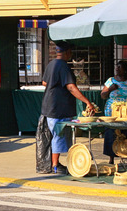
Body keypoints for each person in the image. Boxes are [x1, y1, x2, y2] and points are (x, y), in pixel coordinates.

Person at [41, 41, 96, 175]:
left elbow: (44, 82)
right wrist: (87, 101)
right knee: (58, 135)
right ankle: (55, 165)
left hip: (49, 107)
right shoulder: (64, 66)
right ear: (67, 53)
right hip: (58, 109)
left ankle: (58, 163)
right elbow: (71, 87)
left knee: (57, 135)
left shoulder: (51, 64)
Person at [101, 60, 127, 164]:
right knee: (112, 134)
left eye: (119, 67)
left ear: (126, 70)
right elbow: (103, 95)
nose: (117, 69)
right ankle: (111, 159)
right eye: (117, 67)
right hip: (113, 113)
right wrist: (110, 89)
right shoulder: (111, 81)